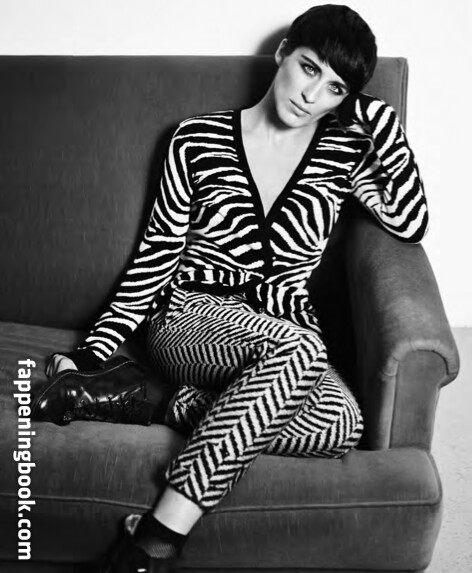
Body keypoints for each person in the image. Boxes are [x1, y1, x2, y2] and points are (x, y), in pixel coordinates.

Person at [44, 4, 429, 572]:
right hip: (192, 320)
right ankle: (153, 543)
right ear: (283, 53)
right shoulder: (195, 140)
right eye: (308, 68)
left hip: (282, 336)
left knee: (343, 423)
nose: (311, 95)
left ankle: (154, 401)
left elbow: (409, 222)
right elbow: (154, 258)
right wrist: (90, 355)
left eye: (334, 88)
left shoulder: (343, 153)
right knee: (302, 349)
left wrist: (382, 121)